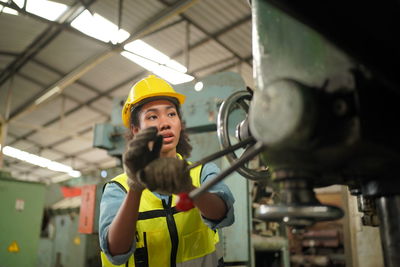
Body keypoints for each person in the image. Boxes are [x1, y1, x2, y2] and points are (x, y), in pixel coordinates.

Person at [99, 75, 235, 267]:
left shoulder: (202, 171)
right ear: (136, 130)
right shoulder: (117, 189)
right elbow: (115, 251)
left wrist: (188, 188)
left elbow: (222, 214)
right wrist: (135, 188)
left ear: (180, 123)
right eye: (152, 116)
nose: (165, 123)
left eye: (171, 114)